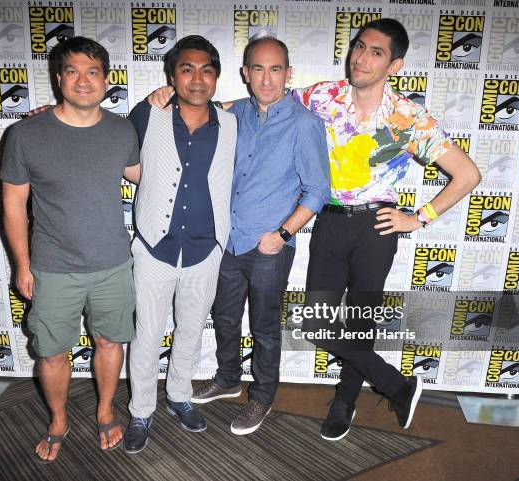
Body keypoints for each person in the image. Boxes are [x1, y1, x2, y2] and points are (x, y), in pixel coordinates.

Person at [292, 18, 481, 440]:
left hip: (377, 227)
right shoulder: (321, 96)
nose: (361, 57)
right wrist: (199, 103)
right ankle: (397, 385)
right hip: (328, 220)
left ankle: (345, 400)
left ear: (394, 65)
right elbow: (263, 102)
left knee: (359, 323)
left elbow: (467, 175)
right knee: (316, 323)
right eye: (359, 47)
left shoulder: (408, 116)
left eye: (375, 52)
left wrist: (419, 218)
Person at [149, 36, 330, 435]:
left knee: (264, 327)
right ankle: (228, 378)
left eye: (276, 68)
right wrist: (158, 94)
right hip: (227, 241)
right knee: (224, 317)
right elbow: (185, 104)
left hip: (269, 245)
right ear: (246, 74)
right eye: (258, 69)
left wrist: (282, 234)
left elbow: (318, 191)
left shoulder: (305, 124)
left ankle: (263, 397)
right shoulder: (231, 114)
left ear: (288, 73)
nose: (267, 78)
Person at [0, 36, 139, 462]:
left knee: (110, 343)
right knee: (53, 352)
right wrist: (22, 266)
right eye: (73, 71)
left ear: (106, 79)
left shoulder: (122, 130)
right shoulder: (25, 134)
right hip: (52, 267)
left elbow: (149, 178)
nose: (84, 81)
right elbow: (13, 207)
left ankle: (104, 409)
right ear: (59, 78)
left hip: (113, 264)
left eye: (93, 72)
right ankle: (58, 419)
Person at [123, 35, 237, 454]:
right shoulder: (145, 113)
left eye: (207, 69)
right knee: (147, 335)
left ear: (216, 76)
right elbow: (108, 147)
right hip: (155, 247)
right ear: (172, 75)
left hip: (205, 248)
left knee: (189, 332)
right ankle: (140, 411)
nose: (197, 78)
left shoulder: (231, 121)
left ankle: (178, 396)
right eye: (186, 68)